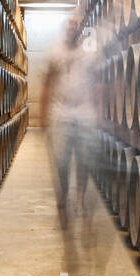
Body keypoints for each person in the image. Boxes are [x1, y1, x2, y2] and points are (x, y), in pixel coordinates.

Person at [42, 18, 102, 229]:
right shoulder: (55, 52)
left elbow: (97, 82)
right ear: (65, 30)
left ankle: (82, 197)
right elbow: (47, 84)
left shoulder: (88, 53)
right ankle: (64, 198)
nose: (73, 29)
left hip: (85, 114)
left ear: (81, 30)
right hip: (62, 114)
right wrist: (43, 118)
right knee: (62, 162)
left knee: (83, 161)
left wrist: (99, 110)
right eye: (69, 25)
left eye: (76, 26)